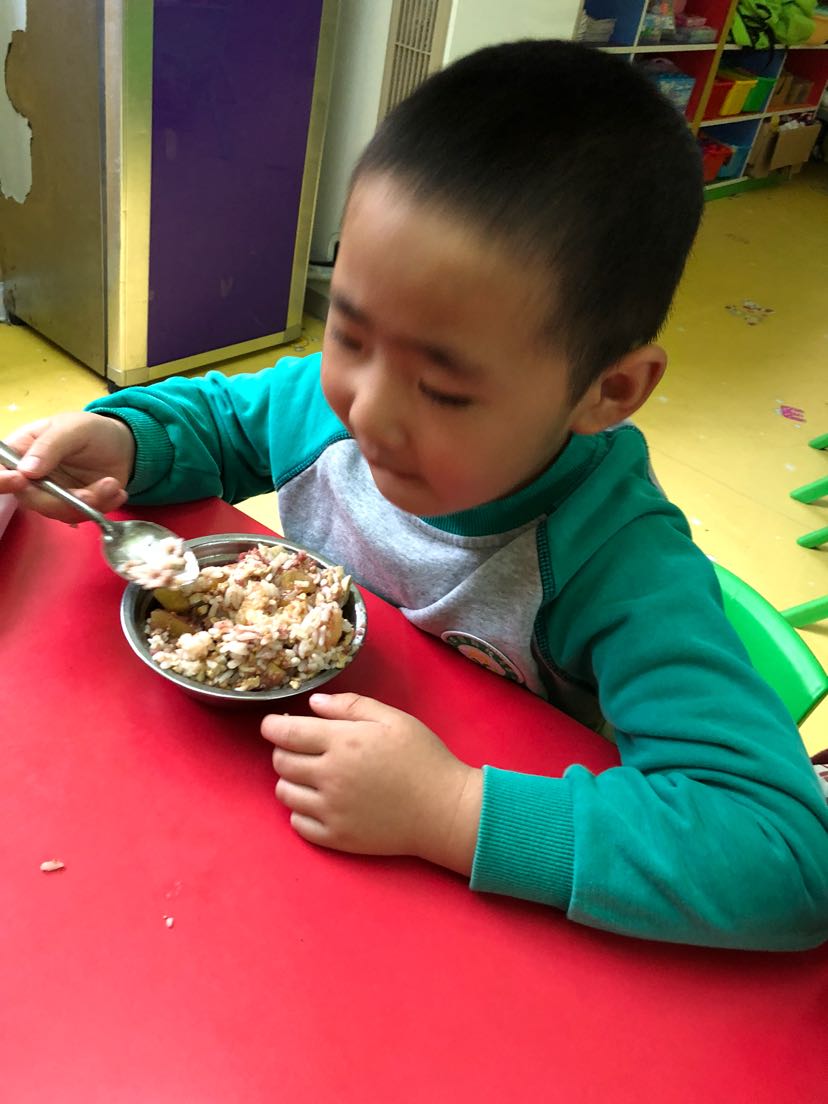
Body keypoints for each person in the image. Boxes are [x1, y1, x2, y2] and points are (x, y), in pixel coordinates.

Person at [2, 41, 826, 950]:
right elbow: (221, 422)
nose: (368, 410)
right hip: (268, 879)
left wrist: (455, 810)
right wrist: (122, 441)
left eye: (443, 389)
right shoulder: (328, 406)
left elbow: (783, 853)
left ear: (609, 391)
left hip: (475, 914)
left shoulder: (619, 567)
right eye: (349, 335)